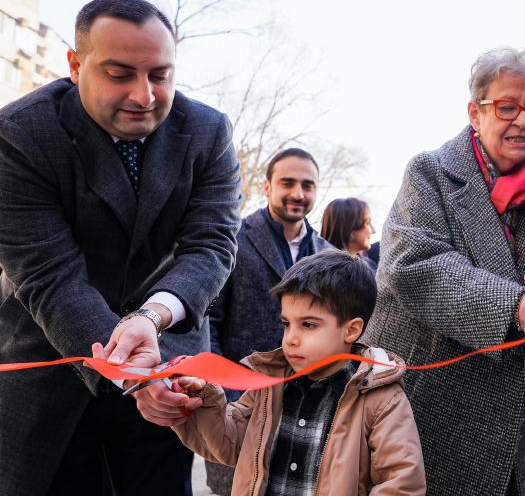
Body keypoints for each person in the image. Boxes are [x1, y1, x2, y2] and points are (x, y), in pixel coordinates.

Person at [0, 0, 242, 496]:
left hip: (170, 367)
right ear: (75, 65)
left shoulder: (209, 131)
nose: (145, 95)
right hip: (54, 361)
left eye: (160, 75)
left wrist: (152, 317)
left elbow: (212, 243)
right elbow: (48, 275)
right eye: (119, 74)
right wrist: (130, 371)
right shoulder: (20, 134)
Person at [363, 46, 525, 496]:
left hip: (504, 435)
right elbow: (414, 266)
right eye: (506, 107)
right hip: (417, 412)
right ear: (475, 113)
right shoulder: (429, 172)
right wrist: (516, 307)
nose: (522, 121)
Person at [170, 249, 426, 495]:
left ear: (351, 330)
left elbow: (400, 482)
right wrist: (203, 399)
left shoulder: (381, 399)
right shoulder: (269, 384)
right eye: (287, 324)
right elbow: (231, 442)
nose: (290, 338)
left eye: (308, 325)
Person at [205, 147, 333, 495]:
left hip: (308, 415)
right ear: (267, 186)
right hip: (240, 405)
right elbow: (208, 323)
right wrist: (227, 396)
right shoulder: (232, 239)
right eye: (287, 183)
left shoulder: (327, 254)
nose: (298, 193)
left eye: (308, 185)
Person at [321, 197, 378, 272]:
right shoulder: (323, 270)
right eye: (367, 223)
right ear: (349, 230)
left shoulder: (370, 266)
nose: (373, 231)